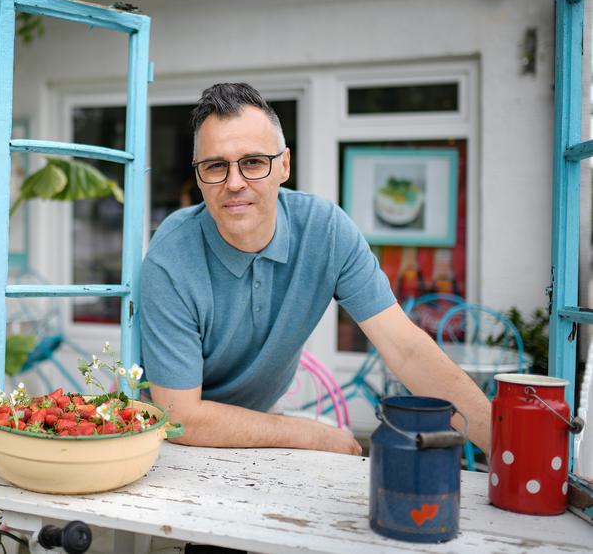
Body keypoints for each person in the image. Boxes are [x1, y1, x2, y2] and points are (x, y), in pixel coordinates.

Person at [140, 82, 489, 456]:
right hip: (168, 440)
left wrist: (505, 446)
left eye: (253, 162)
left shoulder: (325, 230)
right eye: (215, 166)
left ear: (284, 165)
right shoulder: (171, 254)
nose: (235, 183)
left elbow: (407, 350)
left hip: (260, 423)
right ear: (198, 176)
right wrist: (311, 435)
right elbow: (180, 417)